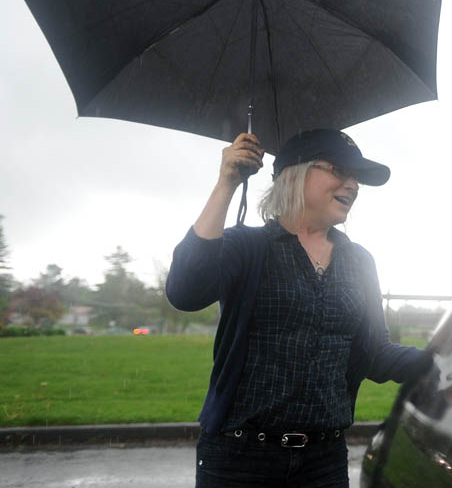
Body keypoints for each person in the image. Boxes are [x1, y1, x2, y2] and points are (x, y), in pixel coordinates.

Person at [166, 128, 430, 487]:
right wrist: (227, 183)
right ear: (295, 172)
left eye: (357, 178)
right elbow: (186, 291)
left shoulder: (359, 261)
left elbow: (375, 353)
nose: (352, 185)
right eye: (339, 170)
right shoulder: (248, 246)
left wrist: (442, 361)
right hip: (239, 460)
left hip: (323, 462)